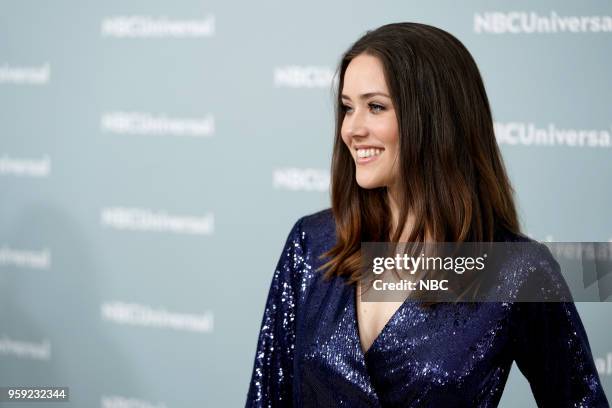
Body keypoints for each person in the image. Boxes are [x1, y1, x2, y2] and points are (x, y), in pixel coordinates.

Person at [245, 22, 609, 407]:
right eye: (347, 108)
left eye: (375, 107)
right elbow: (267, 397)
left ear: (435, 119)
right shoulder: (313, 242)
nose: (351, 129)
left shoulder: (516, 270)